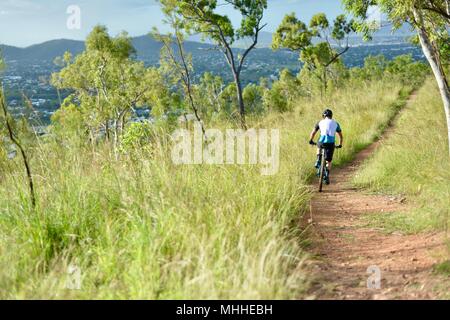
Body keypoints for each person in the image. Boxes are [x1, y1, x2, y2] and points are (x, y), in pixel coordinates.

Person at [309, 109, 343, 184]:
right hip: (331, 143)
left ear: (323, 116)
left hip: (322, 143)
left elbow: (313, 132)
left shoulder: (320, 122)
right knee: (329, 161)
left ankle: (318, 159)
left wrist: (310, 140)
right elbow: (340, 136)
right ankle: (327, 174)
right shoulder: (336, 123)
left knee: (319, 144)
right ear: (331, 116)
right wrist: (340, 144)